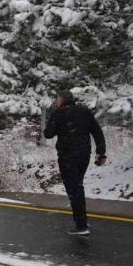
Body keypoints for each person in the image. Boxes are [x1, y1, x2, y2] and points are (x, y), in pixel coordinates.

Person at [44, 90, 106, 236]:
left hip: (67, 156)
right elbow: (97, 131)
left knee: (74, 189)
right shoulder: (84, 111)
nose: (57, 101)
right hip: (84, 155)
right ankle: (82, 220)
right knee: (77, 186)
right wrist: (101, 151)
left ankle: (81, 225)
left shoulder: (58, 113)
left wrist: (54, 118)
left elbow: (48, 134)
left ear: (61, 99)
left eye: (58, 99)